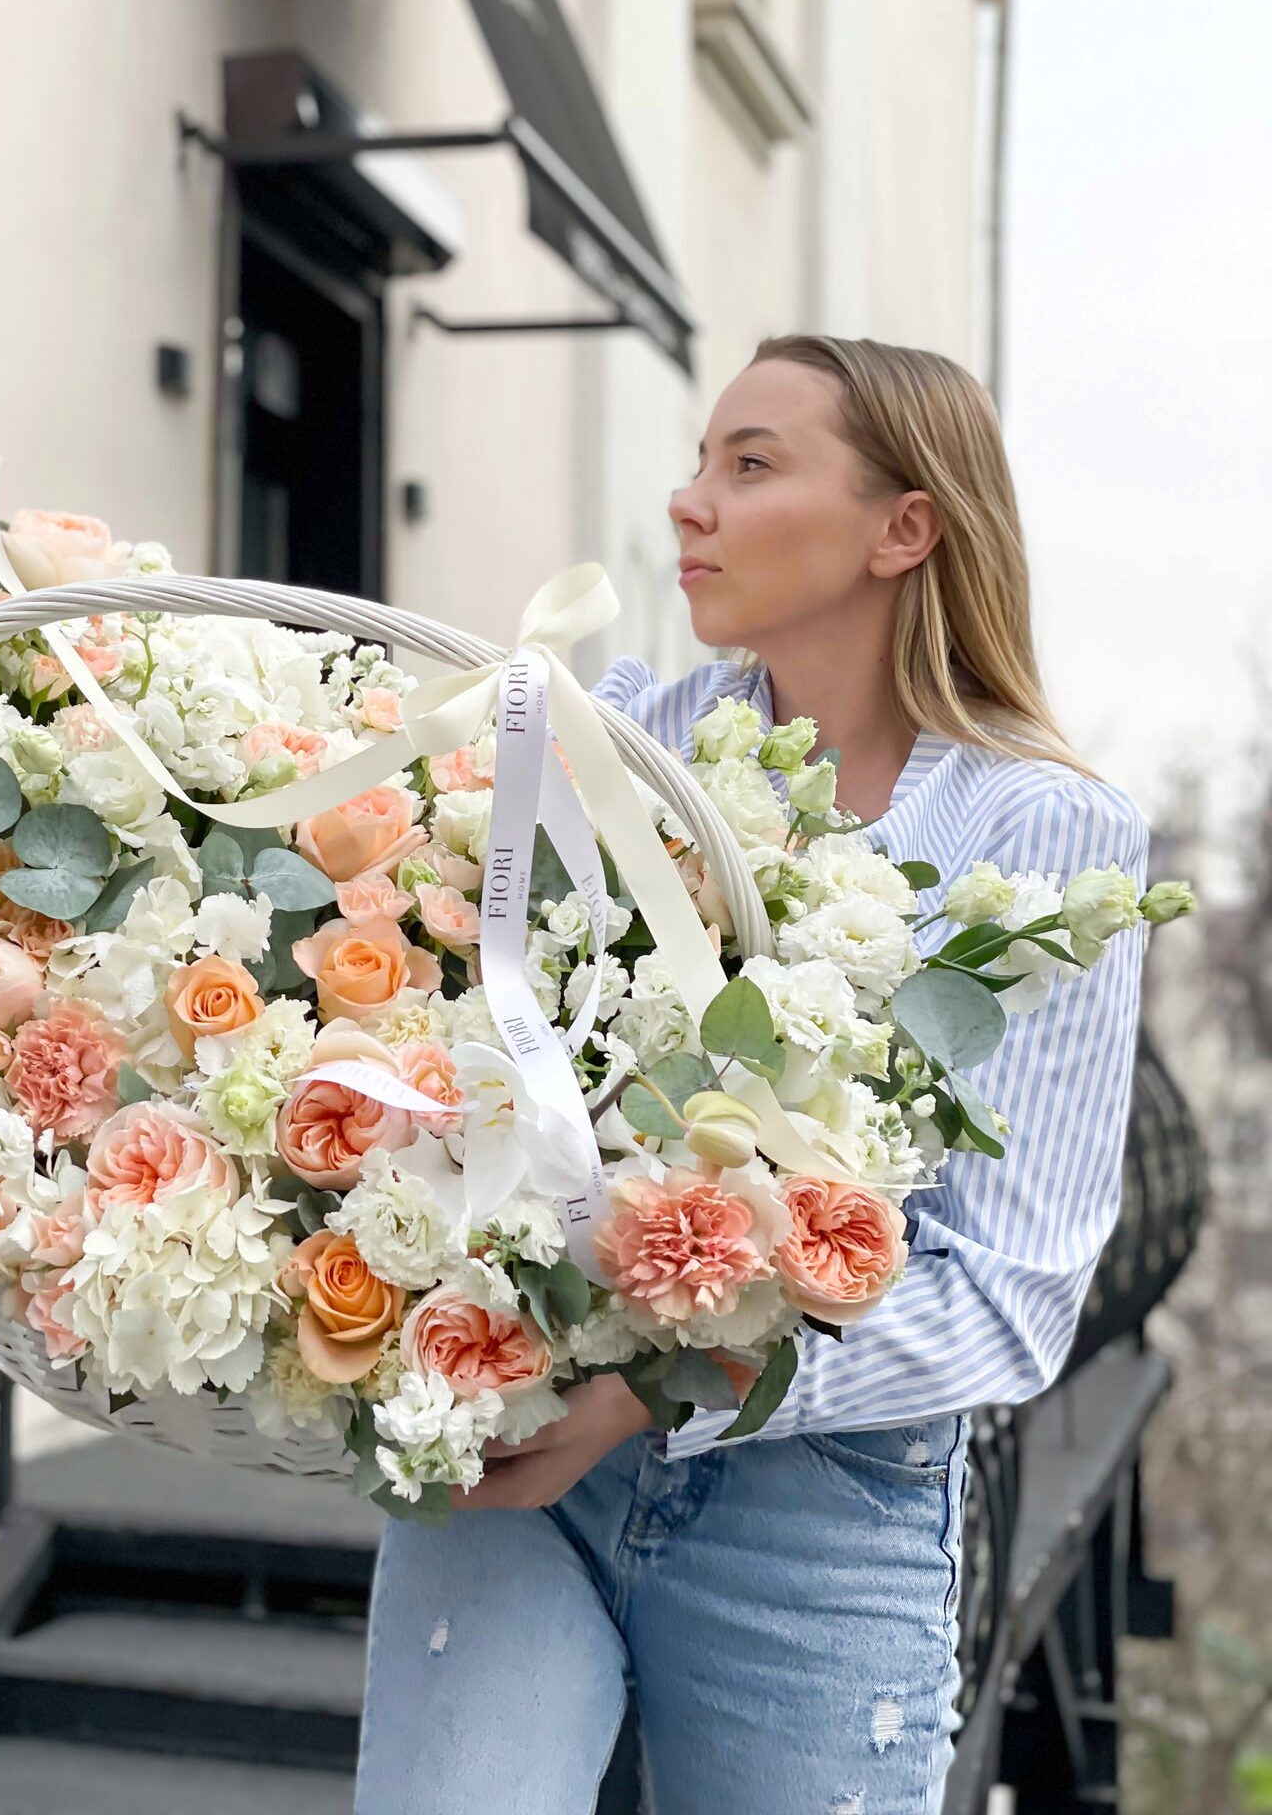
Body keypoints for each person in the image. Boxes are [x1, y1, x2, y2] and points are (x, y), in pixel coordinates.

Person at [354, 334, 1151, 1814]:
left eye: (752, 463)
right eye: (700, 459)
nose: (688, 502)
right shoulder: (605, 749)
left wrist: (663, 1391)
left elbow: (1016, 1296)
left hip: (820, 1522)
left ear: (905, 527)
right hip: (522, 1456)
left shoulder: (1048, 836)